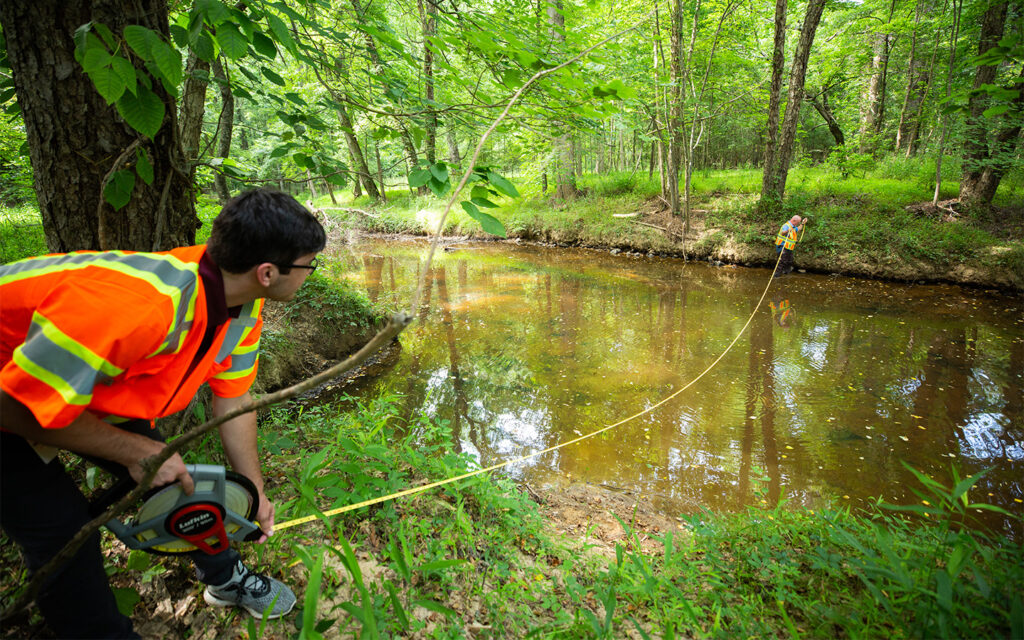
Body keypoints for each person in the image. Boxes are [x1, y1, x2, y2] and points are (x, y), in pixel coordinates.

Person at [0, 188, 326, 638]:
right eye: (310, 264)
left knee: (184, 481)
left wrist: (253, 493)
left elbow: (233, 399)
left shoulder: (241, 302)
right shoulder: (139, 308)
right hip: (10, 397)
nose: (310, 273)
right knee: (62, 533)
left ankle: (224, 579)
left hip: (72, 386)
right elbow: (17, 408)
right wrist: (133, 450)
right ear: (267, 272)